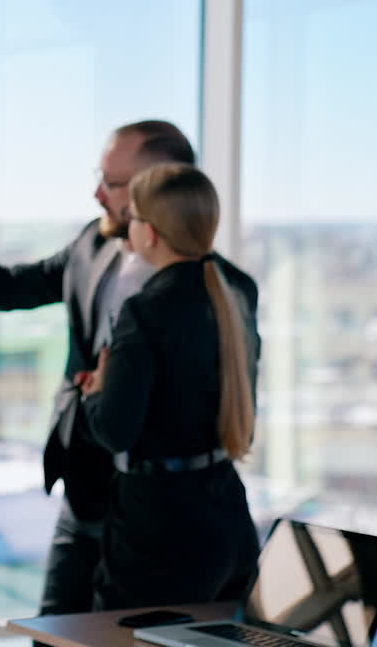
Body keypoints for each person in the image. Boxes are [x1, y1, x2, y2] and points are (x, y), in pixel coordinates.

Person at [0, 120, 209, 616]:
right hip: (84, 496)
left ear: (161, 183)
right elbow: (11, 290)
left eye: (111, 183)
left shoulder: (213, 290)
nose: (96, 193)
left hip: (162, 514)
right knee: (55, 631)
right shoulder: (93, 243)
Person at [79, 162, 260, 609]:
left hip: (158, 527)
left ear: (151, 234)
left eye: (134, 218)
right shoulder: (235, 293)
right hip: (226, 513)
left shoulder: (146, 310)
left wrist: (95, 393)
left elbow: (116, 431)